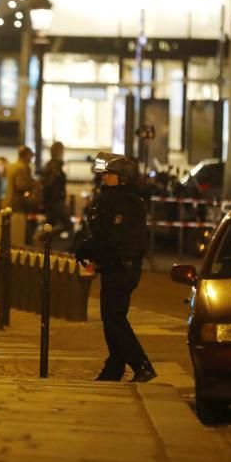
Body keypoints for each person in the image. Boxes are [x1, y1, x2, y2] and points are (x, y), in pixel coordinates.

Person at [74, 153, 156, 383]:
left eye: (109, 174)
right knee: (112, 318)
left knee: (114, 319)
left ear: (122, 178)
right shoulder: (116, 199)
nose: (104, 178)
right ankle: (114, 368)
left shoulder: (122, 202)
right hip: (117, 266)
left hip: (122, 267)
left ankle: (142, 365)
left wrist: (86, 248)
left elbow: (111, 237)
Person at [41, 141, 72, 239]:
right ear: (59, 151)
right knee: (68, 224)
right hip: (56, 200)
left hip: (51, 200)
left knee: (50, 224)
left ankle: (45, 243)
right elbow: (51, 183)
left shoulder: (51, 165)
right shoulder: (55, 166)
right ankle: (41, 237)